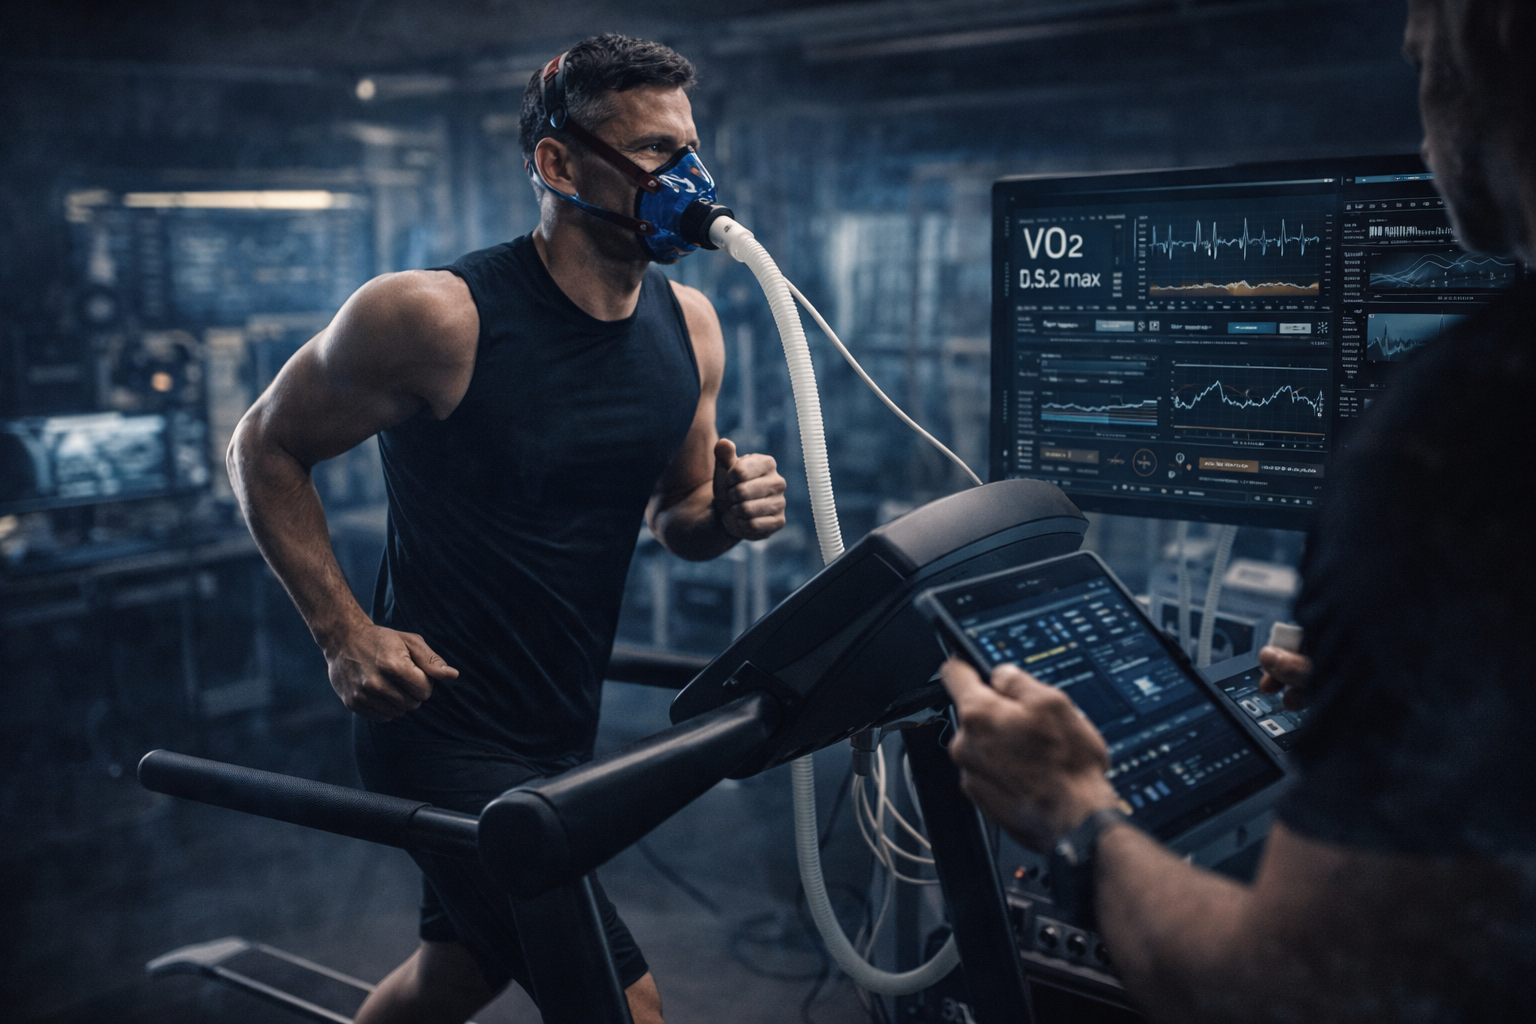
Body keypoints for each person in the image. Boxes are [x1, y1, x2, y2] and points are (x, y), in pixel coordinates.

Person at [940, 0, 1536, 1019]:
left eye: (1420, 61)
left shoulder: (1468, 426)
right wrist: (1409, 700)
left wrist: (1074, 814)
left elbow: (1302, 991)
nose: (1423, 118)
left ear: (1486, 49)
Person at [228, 34, 786, 1024]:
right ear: (559, 163)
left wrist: (728, 516)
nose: (688, 177)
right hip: (438, 732)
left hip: (561, 734)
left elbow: (679, 519)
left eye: (687, 147)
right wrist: (344, 632)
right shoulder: (434, 316)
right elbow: (261, 448)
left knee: (457, 973)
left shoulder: (691, 325)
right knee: (626, 1006)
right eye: (655, 152)